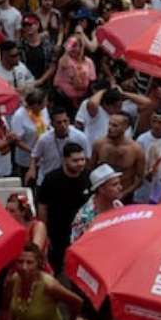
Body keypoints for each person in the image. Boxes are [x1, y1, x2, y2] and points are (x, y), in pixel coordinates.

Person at [37, 143, 90, 272]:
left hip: (81, 233)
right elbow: (42, 206)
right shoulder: (51, 179)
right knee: (56, 266)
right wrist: (44, 232)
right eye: (75, 160)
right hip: (57, 233)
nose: (80, 164)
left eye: (82, 159)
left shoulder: (88, 177)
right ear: (65, 160)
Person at [28, 106, 90, 186]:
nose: (63, 125)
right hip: (48, 180)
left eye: (65, 121)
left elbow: (87, 159)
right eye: (59, 122)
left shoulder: (80, 137)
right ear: (52, 124)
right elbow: (34, 156)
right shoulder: (44, 139)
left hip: (72, 180)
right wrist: (31, 169)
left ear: (69, 121)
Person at [91, 113, 145, 202]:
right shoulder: (99, 144)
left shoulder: (136, 150)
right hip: (102, 195)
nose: (110, 128)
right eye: (109, 124)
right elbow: (91, 168)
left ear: (125, 127)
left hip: (125, 195)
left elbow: (140, 178)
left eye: (115, 125)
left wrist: (124, 193)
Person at [70, 164, 124, 242]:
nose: (120, 187)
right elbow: (77, 246)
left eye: (119, 183)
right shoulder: (85, 217)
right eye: (114, 185)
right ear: (101, 189)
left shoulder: (117, 204)